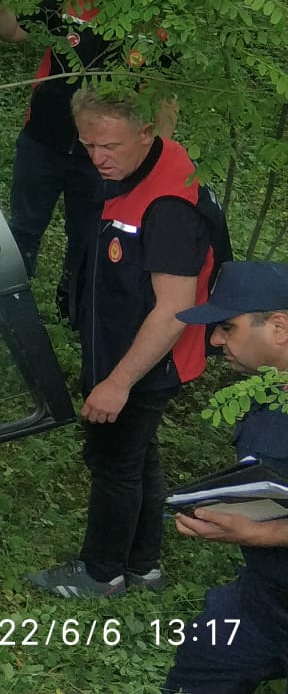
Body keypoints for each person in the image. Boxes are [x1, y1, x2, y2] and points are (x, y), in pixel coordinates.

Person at [28, 88, 216, 598]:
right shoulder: (147, 163)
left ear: (146, 133)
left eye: (109, 145)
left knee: (114, 462)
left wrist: (117, 382)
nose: (98, 158)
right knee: (138, 455)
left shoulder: (169, 209)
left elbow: (174, 308)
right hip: (126, 347)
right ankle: (144, 565)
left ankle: (100, 572)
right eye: (88, 144)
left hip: (148, 360)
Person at [0, 0, 174, 318]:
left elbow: (165, 97)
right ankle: (9, 307)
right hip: (42, 140)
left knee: (87, 239)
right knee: (25, 227)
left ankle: (70, 315)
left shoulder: (157, 27)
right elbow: (13, 30)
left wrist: (155, 157)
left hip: (104, 158)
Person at [162, 261, 288, 694]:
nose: (215, 341)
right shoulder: (271, 390)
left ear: (279, 326)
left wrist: (259, 534)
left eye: (227, 328)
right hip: (264, 602)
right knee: (202, 663)